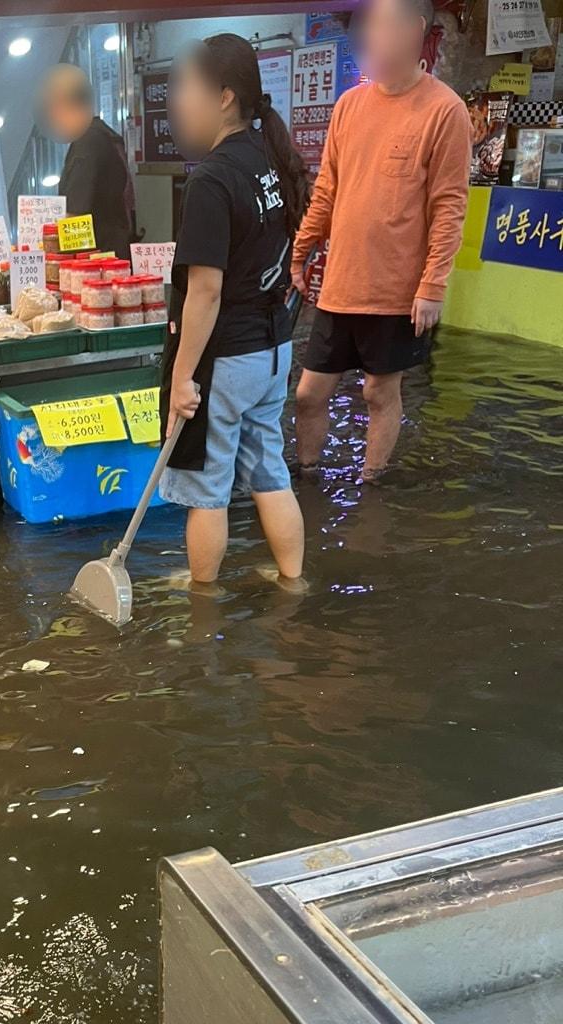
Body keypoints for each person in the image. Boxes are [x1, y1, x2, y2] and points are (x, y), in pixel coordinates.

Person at [291, 0, 472, 480]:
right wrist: (301, 249)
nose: (373, 37)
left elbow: (449, 207)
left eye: (385, 26)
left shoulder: (446, 110)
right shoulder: (349, 105)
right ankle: (306, 475)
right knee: (308, 393)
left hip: (395, 291)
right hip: (340, 284)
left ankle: (372, 485)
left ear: (415, 30)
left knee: (378, 392)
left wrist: (432, 286)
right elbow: (326, 189)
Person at [161, 34, 310, 588]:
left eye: (189, 88)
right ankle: (293, 580)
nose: (180, 101)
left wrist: (182, 378)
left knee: (207, 489)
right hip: (272, 351)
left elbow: (205, 292)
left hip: (226, 359)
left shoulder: (212, 179)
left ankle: (201, 599)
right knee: (270, 472)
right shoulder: (269, 158)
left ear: (224, 97)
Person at [42, 65, 133, 259]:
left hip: (97, 261)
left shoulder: (87, 141)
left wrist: (56, 258)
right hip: (113, 252)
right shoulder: (102, 134)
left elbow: (75, 214)